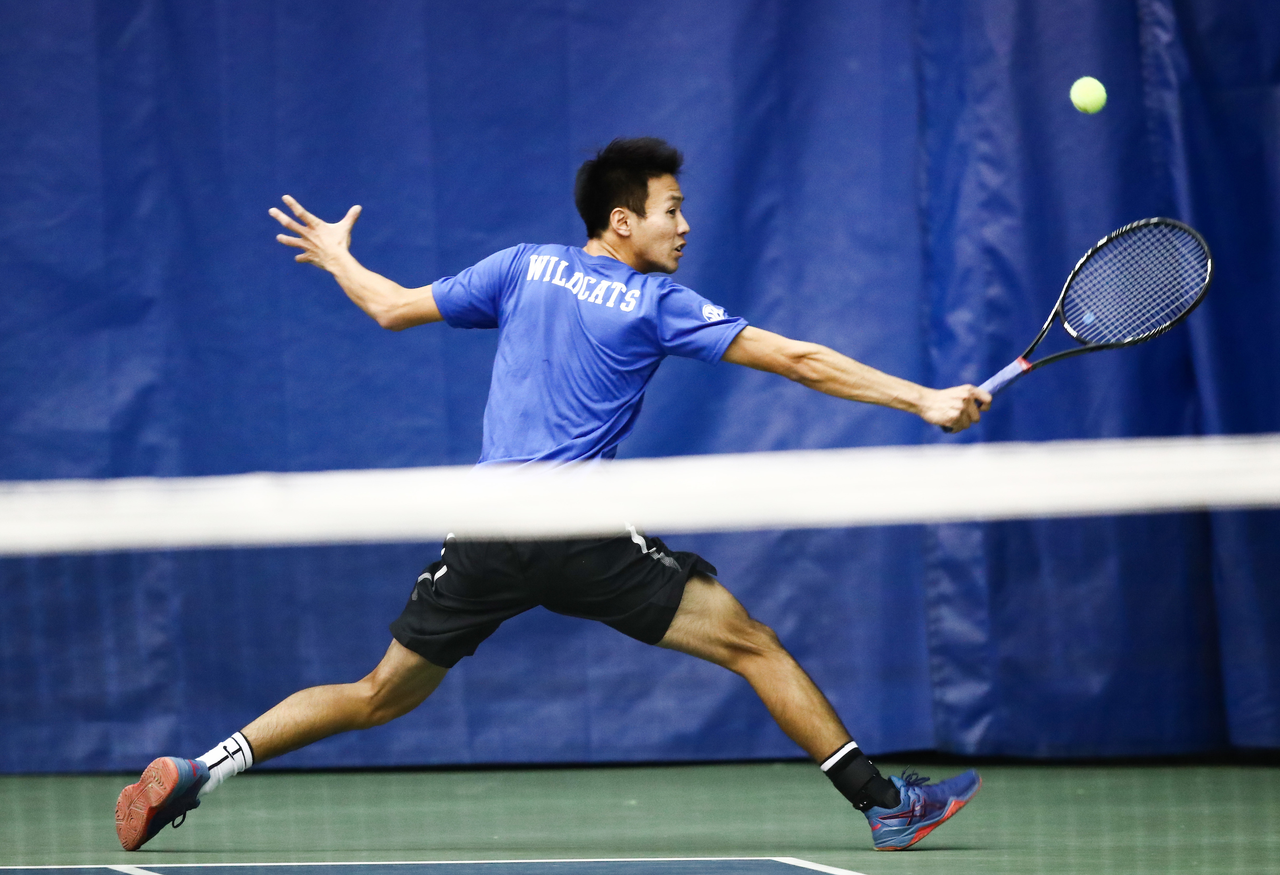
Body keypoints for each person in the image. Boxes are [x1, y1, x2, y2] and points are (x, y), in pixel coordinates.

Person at [115, 137, 991, 853]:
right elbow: (799, 359)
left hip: (487, 529)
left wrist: (341, 257)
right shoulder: (656, 301)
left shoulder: (521, 265)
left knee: (379, 690)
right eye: (671, 208)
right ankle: (882, 803)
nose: (685, 225)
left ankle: (201, 768)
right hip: (576, 529)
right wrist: (922, 397)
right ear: (623, 221)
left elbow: (387, 308)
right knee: (752, 644)